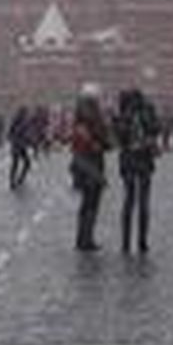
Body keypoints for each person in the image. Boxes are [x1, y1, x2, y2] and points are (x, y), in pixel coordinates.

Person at [116, 89, 160, 254]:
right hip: (141, 160)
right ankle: (139, 242)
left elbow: (119, 136)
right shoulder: (144, 111)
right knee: (140, 202)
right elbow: (156, 128)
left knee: (132, 201)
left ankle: (129, 243)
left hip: (132, 160)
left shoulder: (125, 112)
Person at [70, 94, 110, 252]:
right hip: (91, 165)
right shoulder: (92, 123)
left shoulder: (79, 122)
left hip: (82, 165)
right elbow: (103, 144)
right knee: (91, 203)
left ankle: (83, 238)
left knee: (87, 203)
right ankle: (86, 239)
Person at [8, 106, 32, 190]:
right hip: (19, 146)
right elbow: (12, 133)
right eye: (26, 113)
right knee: (22, 163)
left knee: (17, 163)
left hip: (18, 146)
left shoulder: (18, 121)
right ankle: (17, 180)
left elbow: (9, 133)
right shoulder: (22, 121)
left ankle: (15, 180)